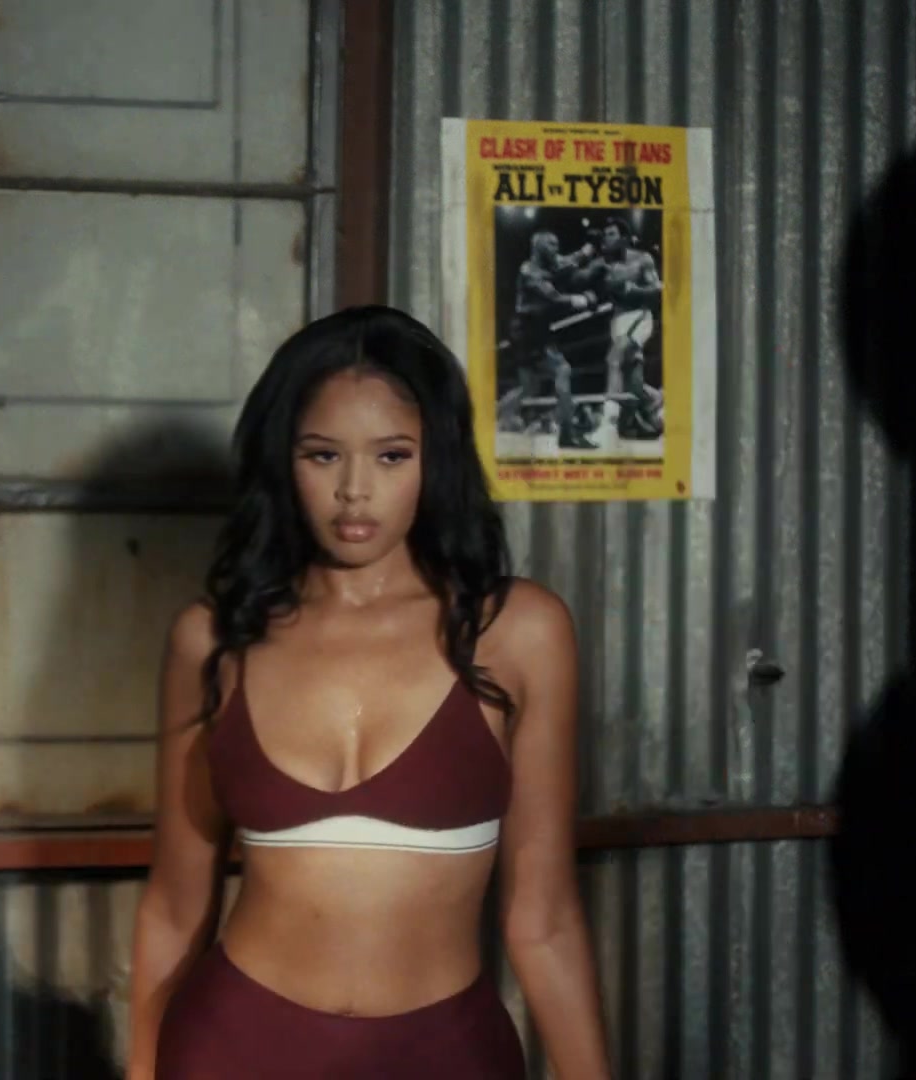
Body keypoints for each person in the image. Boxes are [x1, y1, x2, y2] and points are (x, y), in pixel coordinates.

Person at [126, 305, 612, 1078]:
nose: (355, 491)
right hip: (233, 1045)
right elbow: (175, 908)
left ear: (437, 459)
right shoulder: (215, 639)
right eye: (323, 455)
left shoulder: (519, 632)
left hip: (446, 1055)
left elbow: (543, 920)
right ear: (284, 462)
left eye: (391, 456)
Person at [510, 230, 599, 450]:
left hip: (537, 331)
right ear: (538, 248)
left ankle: (565, 430)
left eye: (557, 244)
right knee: (561, 371)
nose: (556, 249)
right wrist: (581, 300)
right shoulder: (530, 272)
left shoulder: (548, 263)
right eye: (551, 245)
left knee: (533, 386)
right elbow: (553, 298)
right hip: (527, 333)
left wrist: (587, 250)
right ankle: (567, 433)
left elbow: (567, 261)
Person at [584, 218, 663, 439]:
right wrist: (588, 297)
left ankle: (609, 421)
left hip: (639, 316)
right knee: (631, 377)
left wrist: (634, 290)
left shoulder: (642, 259)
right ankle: (652, 400)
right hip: (617, 321)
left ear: (624, 238)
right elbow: (581, 279)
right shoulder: (602, 264)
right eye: (605, 235)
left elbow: (658, 290)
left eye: (611, 234)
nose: (606, 238)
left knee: (614, 358)